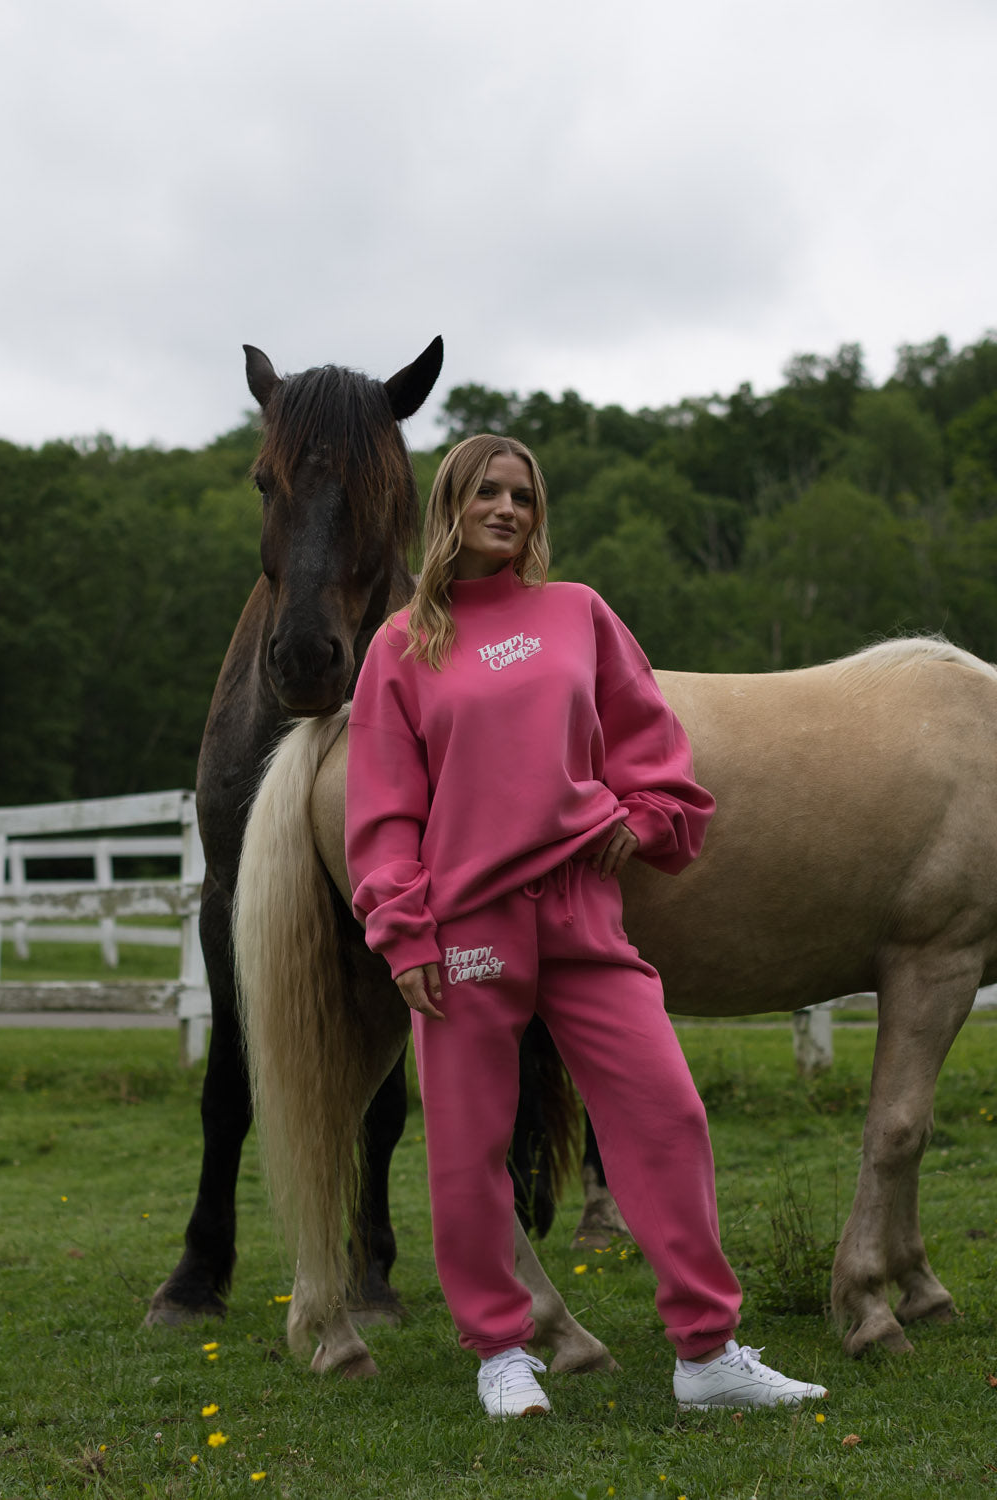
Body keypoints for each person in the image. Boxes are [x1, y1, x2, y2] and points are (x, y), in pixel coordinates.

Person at [345, 434, 828, 1419]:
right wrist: (404, 933)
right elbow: (385, 808)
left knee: (666, 1112)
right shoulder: (404, 644)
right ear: (450, 504)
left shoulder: (576, 614)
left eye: (522, 494)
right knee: (470, 1143)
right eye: (487, 490)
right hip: (468, 926)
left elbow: (654, 746)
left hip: (579, 907)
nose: (508, 508)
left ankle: (707, 1352)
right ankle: (500, 1352)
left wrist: (646, 817)